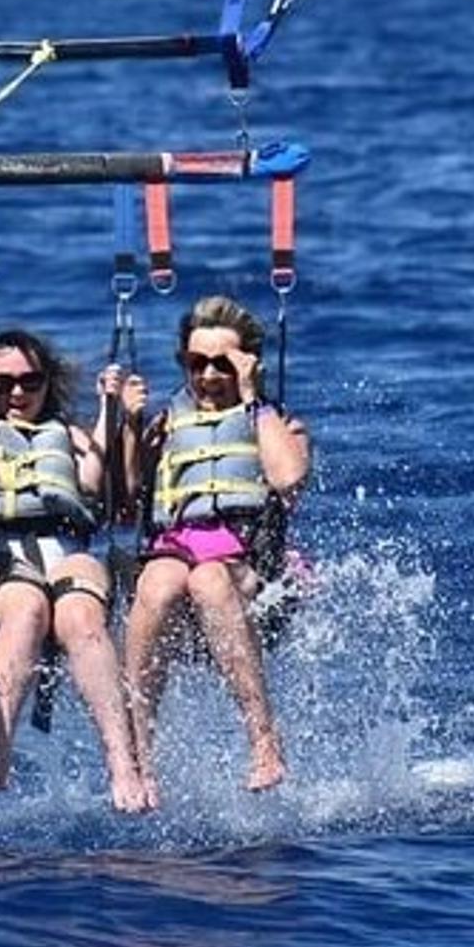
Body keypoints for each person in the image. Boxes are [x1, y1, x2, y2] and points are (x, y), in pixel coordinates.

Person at [119, 295, 311, 804]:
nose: (207, 376)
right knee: (158, 583)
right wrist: (130, 427)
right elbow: (123, 500)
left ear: (246, 363)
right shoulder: (165, 426)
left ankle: (264, 740)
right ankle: (139, 756)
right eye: (195, 363)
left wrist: (252, 398)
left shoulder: (276, 423)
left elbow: (289, 478)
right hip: (173, 554)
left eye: (221, 364)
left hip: (247, 567)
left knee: (207, 578)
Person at [0, 330, 152, 813]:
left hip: (70, 548)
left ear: (48, 383)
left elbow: (92, 484)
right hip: (3, 555)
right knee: (27, 609)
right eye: (3, 383)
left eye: (31, 381)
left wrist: (110, 410)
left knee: (80, 617)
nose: (18, 393)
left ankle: (121, 761)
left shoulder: (67, 434)